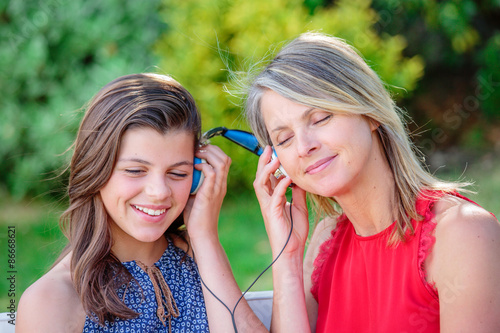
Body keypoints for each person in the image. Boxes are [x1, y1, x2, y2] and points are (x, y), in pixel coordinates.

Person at [244, 32, 500, 332]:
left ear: (370, 112)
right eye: (284, 138)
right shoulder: (325, 242)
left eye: (321, 118)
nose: (303, 147)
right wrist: (287, 255)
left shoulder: (462, 233)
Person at [17, 73, 266, 332]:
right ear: (96, 169)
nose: (159, 192)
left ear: (197, 176)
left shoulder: (199, 257)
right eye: (135, 171)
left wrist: (205, 237)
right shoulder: (52, 300)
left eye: (178, 173)